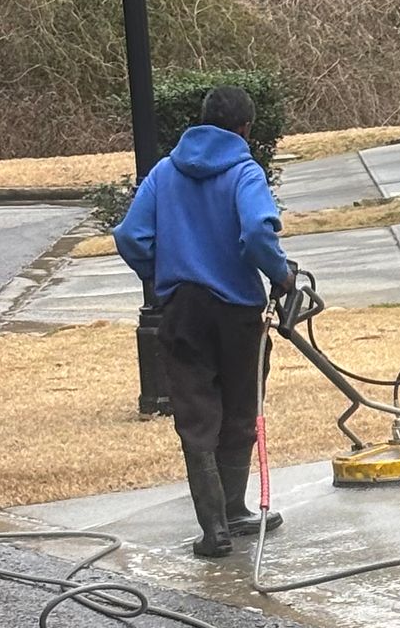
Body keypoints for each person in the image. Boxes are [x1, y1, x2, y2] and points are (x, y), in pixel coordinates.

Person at [114, 85, 293, 558]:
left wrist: (162, 273)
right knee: (239, 410)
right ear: (246, 129)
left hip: (182, 310)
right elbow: (257, 232)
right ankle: (235, 510)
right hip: (236, 311)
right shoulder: (244, 172)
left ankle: (213, 529)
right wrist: (282, 274)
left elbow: (131, 235)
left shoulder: (164, 174)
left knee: (196, 417)